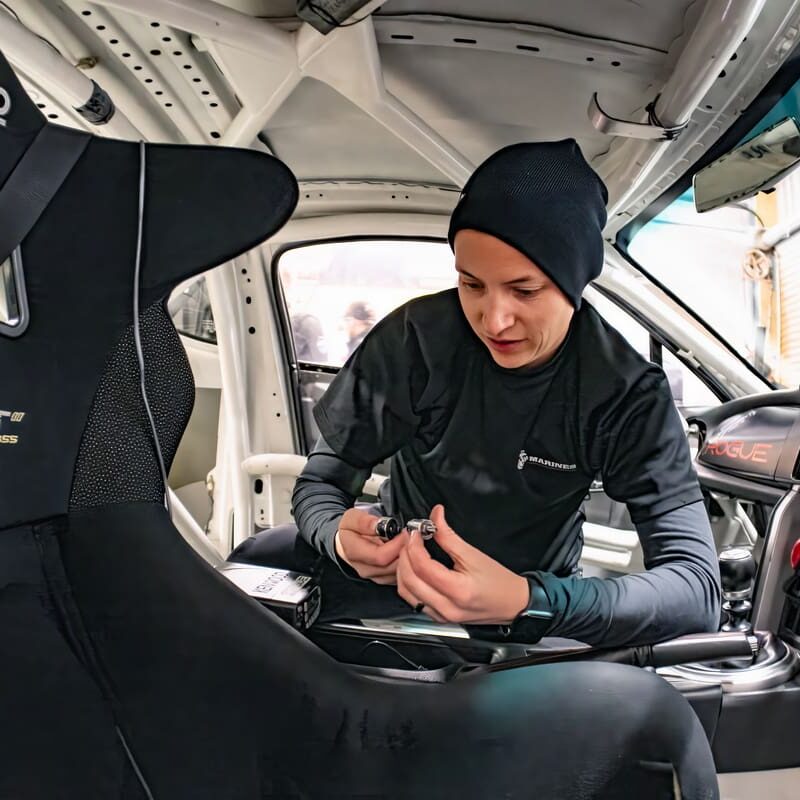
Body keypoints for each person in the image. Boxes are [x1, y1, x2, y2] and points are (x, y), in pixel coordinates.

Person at [231, 139, 721, 647]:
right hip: (397, 578)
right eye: (472, 284)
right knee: (249, 568)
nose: (494, 320)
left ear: (574, 283)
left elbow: (695, 589)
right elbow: (319, 485)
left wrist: (527, 600)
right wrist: (337, 535)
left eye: (524, 290)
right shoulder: (415, 341)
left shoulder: (623, 391)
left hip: (526, 608)